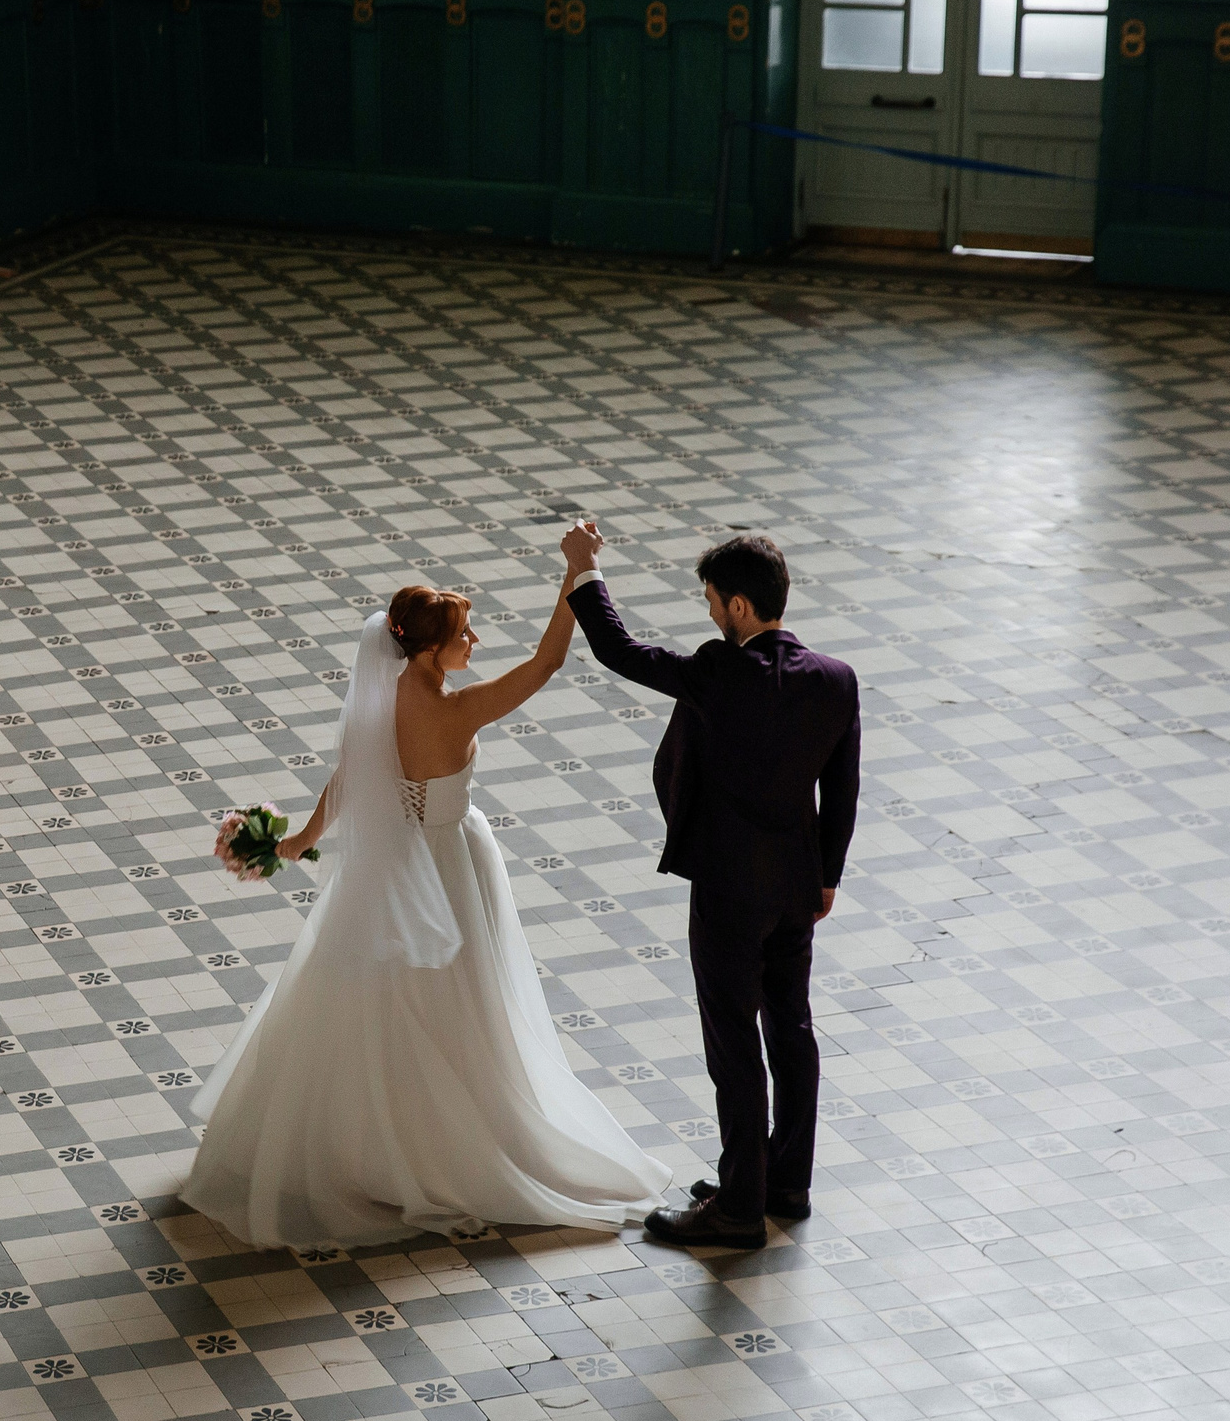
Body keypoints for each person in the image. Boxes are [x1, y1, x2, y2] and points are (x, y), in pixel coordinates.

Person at [180, 583, 671, 1249]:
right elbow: (545, 664)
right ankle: (450, 1145)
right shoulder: (456, 710)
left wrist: (299, 838)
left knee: (379, 1000)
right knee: (465, 1005)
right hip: (449, 867)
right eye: (465, 634)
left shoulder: (380, 700)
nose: (475, 643)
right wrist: (569, 586)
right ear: (432, 650)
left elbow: (349, 774)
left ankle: (366, 1144)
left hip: (387, 872)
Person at [558, 521, 860, 1251]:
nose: (710, 613)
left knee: (733, 1044)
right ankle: (787, 1181)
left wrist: (583, 569)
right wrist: (826, 877)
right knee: (791, 1029)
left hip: (729, 892)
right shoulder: (835, 678)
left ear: (737, 608)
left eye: (711, 601)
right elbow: (843, 789)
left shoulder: (721, 672)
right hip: (795, 888)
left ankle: (738, 1208)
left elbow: (618, 649)